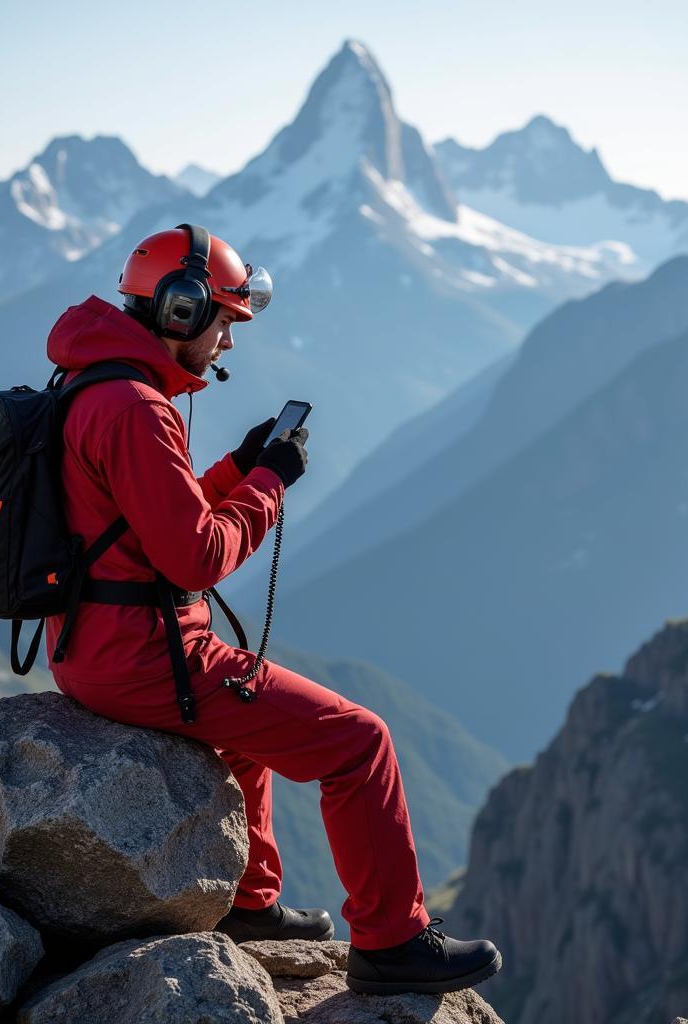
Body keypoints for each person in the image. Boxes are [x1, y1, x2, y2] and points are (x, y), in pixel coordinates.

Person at [43, 222, 502, 996]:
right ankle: (392, 942)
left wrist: (240, 465)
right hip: (144, 656)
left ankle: (248, 907)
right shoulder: (134, 407)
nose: (227, 342)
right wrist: (272, 481)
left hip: (92, 643)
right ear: (180, 314)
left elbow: (146, 520)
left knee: (248, 735)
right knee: (359, 744)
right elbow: (193, 556)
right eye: (222, 322)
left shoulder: (94, 383)